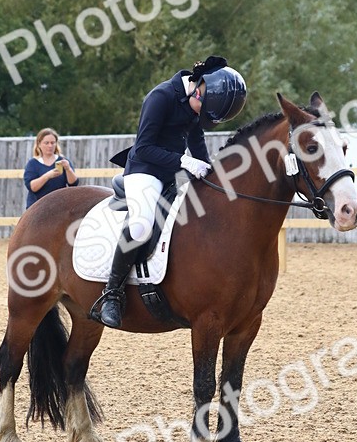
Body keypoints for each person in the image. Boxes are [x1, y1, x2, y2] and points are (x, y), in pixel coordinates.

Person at [90, 56, 247, 329]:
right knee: (140, 226)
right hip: (144, 170)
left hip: (174, 172)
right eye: (201, 110)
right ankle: (112, 294)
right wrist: (183, 161)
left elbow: (198, 146)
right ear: (198, 87)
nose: (199, 117)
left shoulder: (198, 105)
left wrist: (211, 174)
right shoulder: (160, 97)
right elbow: (144, 147)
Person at [24, 128, 78, 209]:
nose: (50, 146)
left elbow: (73, 184)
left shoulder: (63, 161)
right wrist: (48, 176)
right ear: (39, 144)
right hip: (37, 208)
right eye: (46, 143)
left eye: (53, 143)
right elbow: (32, 187)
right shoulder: (33, 163)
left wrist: (68, 169)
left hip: (60, 207)